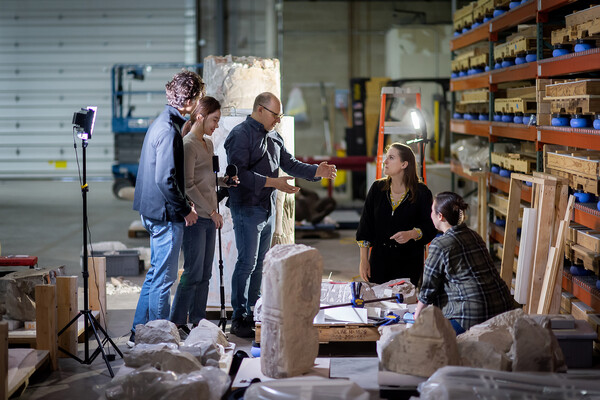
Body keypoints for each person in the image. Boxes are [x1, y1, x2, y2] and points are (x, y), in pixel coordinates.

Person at [224, 92, 337, 338]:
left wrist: (317, 171)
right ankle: (238, 316)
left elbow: (290, 163)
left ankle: (255, 309)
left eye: (280, 116)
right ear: (260, 110)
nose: (278, 120)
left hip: (266, 208)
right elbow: (238, 175)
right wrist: (274, 182)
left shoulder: (274, 136)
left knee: (259, 264)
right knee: (246, 262)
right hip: (246, 207)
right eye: (276, 115)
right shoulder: (240, 136)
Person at [129, 70, 204, 346]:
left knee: (154, 275)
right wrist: (186, 209)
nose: (199, 104)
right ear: (188, 101)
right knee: (164, 280)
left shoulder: (160, 122)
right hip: (165, 216)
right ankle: (159, 342)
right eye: (198, 98)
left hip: (151, 211)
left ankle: (140, 331)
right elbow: (165, 179)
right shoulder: (170, 131)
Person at [170, 96, 237, 331]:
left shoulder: (207, 144)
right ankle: (177, 320)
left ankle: (197, 319)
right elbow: (188, 185)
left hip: (210, 217)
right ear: (200, 116)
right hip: (197, 218)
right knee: (192, 272)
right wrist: (211, 210)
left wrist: (224, 181)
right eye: (214, 119)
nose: (216, 125)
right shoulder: (189, 144)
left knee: (205, 273)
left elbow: (206, 179)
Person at [414, 192, 514, 335]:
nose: (430, 215)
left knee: (429, 338)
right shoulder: (474, 235)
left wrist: (416, 317)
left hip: (472, 316)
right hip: (502, 308)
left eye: (431, 211)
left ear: (440, 216)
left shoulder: (440, 244)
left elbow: (428, 288)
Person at [356, 143, 437, 286]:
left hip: (409, 263)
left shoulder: (422, 192)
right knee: (379, 302)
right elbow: (365, 226)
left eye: (391, 158)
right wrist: (363, 260)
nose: (385, 162)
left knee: (405, 305)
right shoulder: (377, 189)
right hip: (379, 261)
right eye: (386, 157)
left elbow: (430, 226)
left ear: (404, 164)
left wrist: (411, 234)